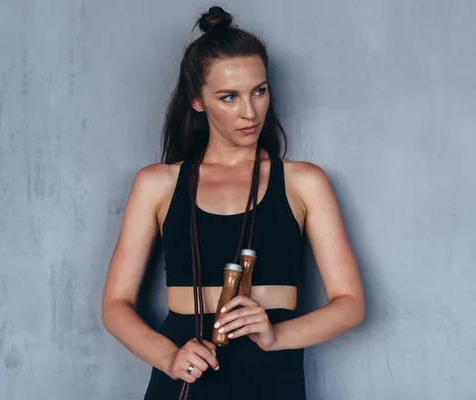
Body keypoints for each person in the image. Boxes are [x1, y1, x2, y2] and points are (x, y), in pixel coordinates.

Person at [101, 6, 365, 400]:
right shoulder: (157, 184)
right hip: (186, 375)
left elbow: (350, 304)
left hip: (271, 377)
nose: (250, 111)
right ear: (197, 100)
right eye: (229, 97)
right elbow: (115, 304)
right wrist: (168, 356)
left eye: (259, 91)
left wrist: (276, 336)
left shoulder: (303, 181)